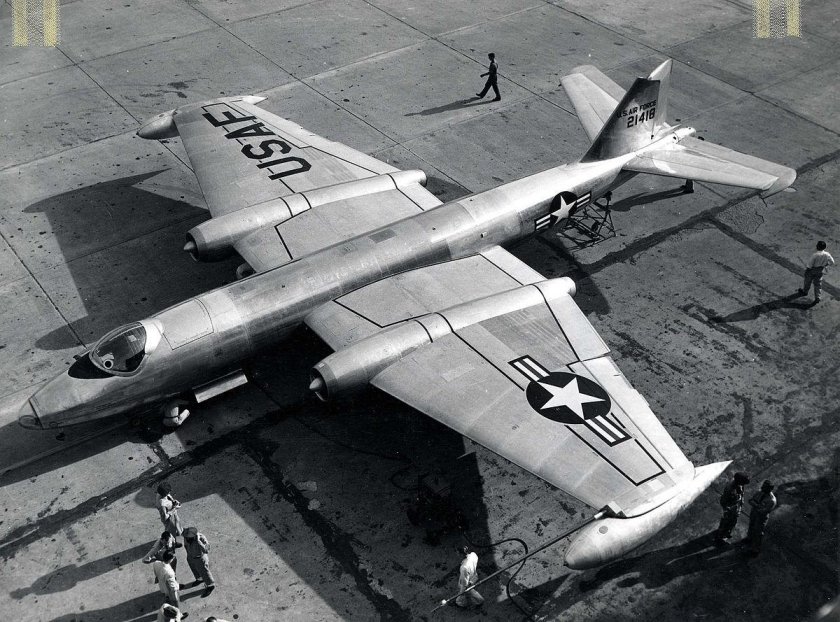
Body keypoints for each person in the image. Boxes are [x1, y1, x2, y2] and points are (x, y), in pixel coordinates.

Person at [714, 471, 750, 545]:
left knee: (733, 522)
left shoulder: (740, 485)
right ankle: (720, 538)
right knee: (725, 524)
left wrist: (740, 502)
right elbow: (723, 501)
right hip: (730, 509)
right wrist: (727, 510)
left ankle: (727, 532)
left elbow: (741, 494)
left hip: (736, 508)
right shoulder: (730, 489)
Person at [182, 527, 216, 597]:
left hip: (200, 558)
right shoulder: (186, 538)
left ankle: (210, 585)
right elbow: (186, 546)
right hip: (191, 557)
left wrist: (199, 542)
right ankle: (200, 579)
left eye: (187, 537)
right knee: (195, 570)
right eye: (185, 537)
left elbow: (206, 550)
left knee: (204, 572)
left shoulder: (201, 538)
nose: (186, 539)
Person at [746, 480, 777, 556]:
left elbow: (763, 511)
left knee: (758, 533)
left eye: (764, 487)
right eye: (763, 486)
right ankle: (749, 538)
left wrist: (756, 505)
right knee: (751, 526)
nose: (762, 487)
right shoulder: (759, 492)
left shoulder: (771, 500)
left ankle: (755, 549)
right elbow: (750, 500)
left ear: (769, 489)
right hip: (754, 514)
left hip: (761, 518)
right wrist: (758, 506)